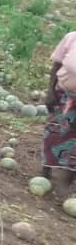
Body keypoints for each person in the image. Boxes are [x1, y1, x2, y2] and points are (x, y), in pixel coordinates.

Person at [42, 30, 76, 187]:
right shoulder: (72, 38)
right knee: (53, 133)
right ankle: (46, 170)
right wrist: (50, 91)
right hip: (63, 95)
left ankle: (69, 178)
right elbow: (56, 65)